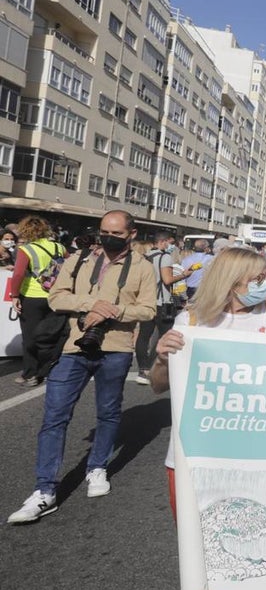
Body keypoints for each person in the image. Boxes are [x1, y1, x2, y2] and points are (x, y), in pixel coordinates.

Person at [145, 247, 266, 590]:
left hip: (254, 452)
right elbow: (159, 387)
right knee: (197, 535)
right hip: (195, 453)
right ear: (231, 284)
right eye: (258, 279)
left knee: (229, 534)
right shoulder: (192, 319)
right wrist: (162, 358)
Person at [8, 211, 156, 523]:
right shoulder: (79, 259)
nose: (108, 237)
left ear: (131, 234)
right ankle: (44, 490)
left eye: (115, 232)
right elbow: (56, 297)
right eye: (103, 231)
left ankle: (97, 466)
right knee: (55, 416)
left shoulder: (143, 267)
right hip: (73, 347)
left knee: (109, 411)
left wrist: (114, 310)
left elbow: (148, 309)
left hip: (115, 349)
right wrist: (90, 305)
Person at [11, 216, 68, 386]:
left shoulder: (26, 249)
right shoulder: (59, 246)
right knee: (51, 334)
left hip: (32, 297)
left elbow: (19, 274)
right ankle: (47, 368)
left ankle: (30, 373)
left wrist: (14, 296)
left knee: (30, 336)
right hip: (55, 296)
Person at [132, 231, 179, 386]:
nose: (172, 245)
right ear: (164, 242)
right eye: (170, 242)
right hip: (162, 302)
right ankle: (153, 367)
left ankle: (142, 368)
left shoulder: (145, 257)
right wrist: (185, 274)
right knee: (164, 335)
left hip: (147, 301)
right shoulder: (165, 257)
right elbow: (167, 280)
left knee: (144, 335)